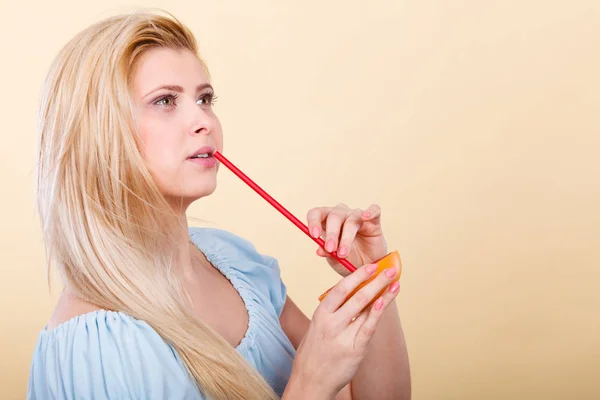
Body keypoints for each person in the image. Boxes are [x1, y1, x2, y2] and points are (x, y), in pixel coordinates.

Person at [27, 8, 411, 400]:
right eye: (164, 101)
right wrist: (309, 385)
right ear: (99, 133)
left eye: (205, 98)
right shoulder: (96, 346)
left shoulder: (236, 264)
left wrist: (370, 276)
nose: (204, 120)